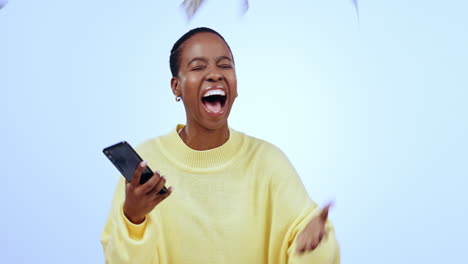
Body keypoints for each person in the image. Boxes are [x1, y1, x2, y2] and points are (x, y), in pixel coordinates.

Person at [100, 27, 340, 263]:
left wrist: (315, 247)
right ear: (176, 87)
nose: (215, 74)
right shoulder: (147, 163)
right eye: (198, 67)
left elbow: (309, 240)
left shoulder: (269, 163)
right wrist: (133, 218)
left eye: (225, 65)